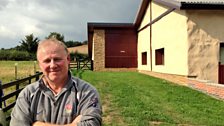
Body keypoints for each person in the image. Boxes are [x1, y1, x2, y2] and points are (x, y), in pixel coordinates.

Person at [10, 38, 102, 126]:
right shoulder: (27, 94)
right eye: (47, 61)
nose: (53, 65)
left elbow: (92, 124)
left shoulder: (87, 92)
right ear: (39, 64)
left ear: (68, 59)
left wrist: (38, 124)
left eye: (57, 59)